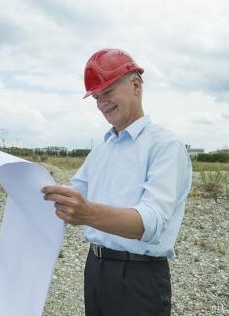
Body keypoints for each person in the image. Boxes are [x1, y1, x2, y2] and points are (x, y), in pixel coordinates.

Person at [42, 48, 192, 316]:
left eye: (107, 92)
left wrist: (87, 213)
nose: (101, 103)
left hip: (139, 275)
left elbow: (150, 223)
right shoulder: (103, 148)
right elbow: (73, 193)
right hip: (96, 268)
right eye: (96, 97)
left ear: (135, 85)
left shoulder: (165, 146)